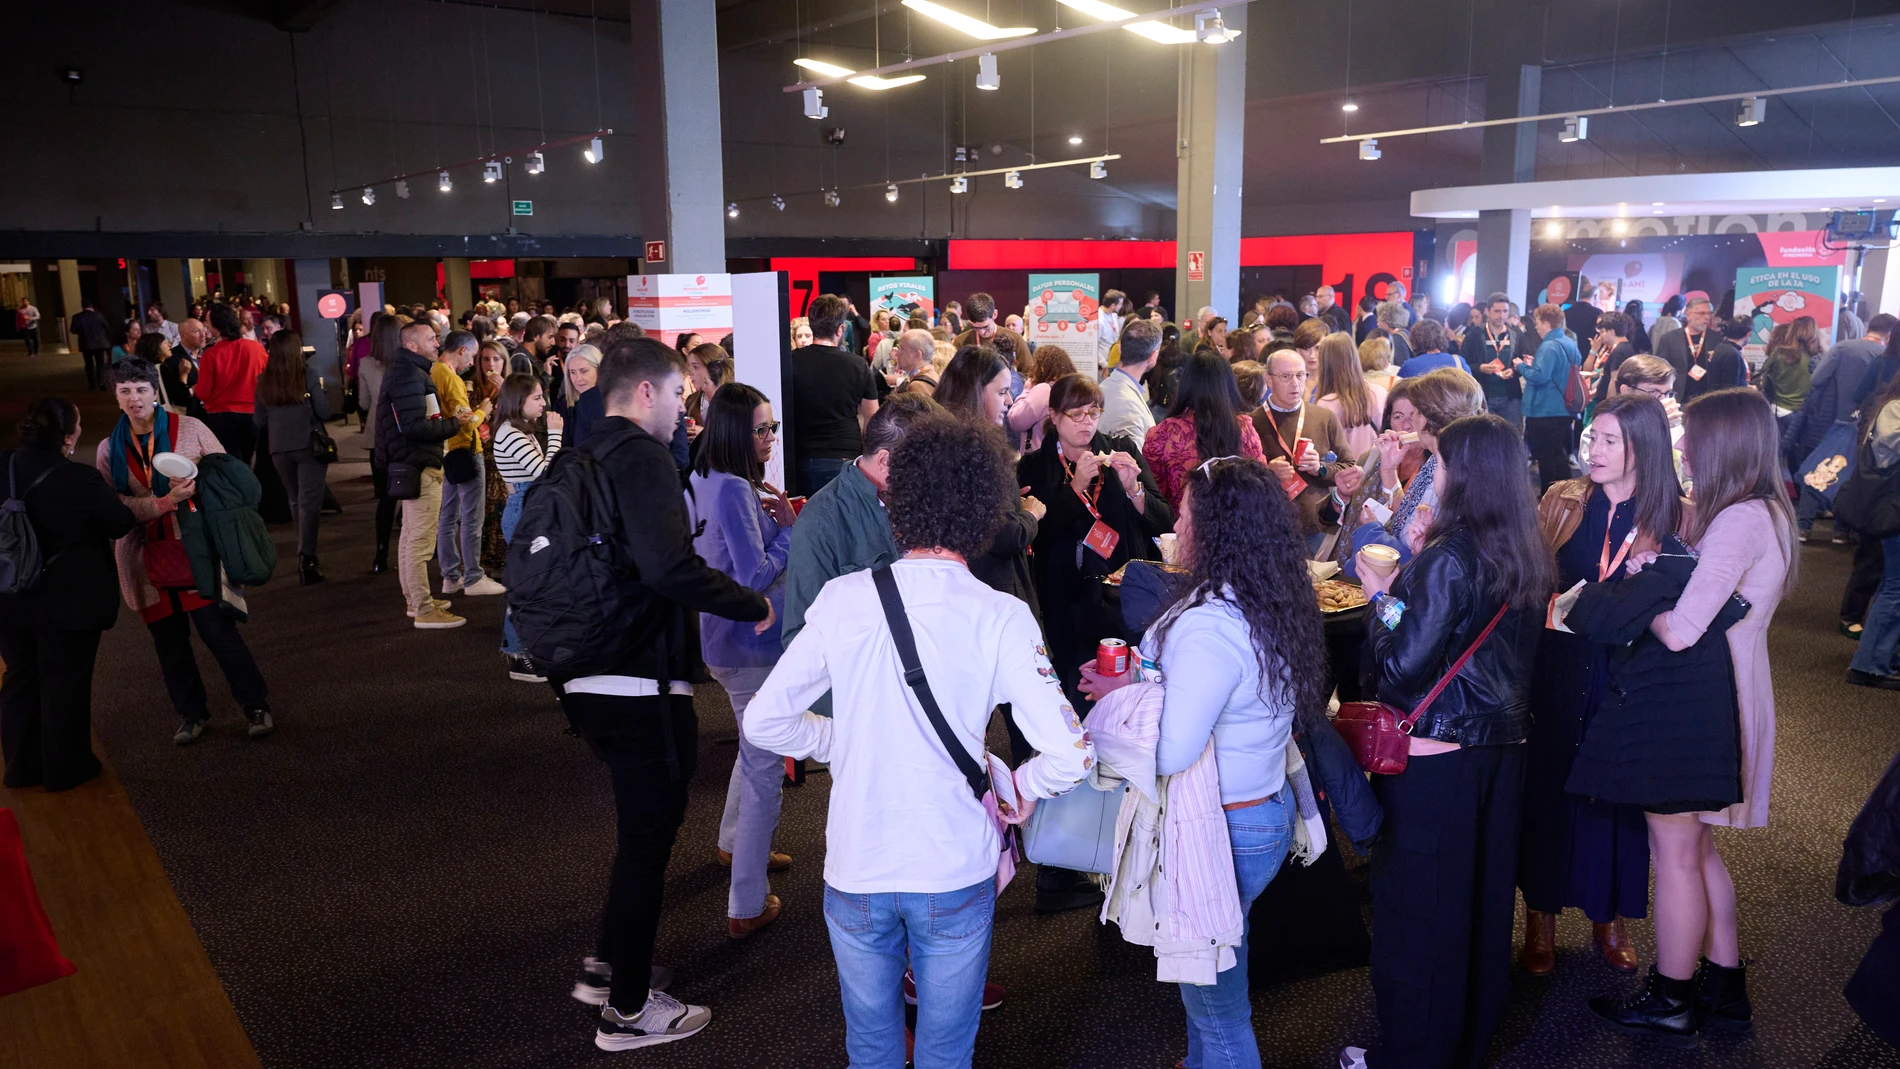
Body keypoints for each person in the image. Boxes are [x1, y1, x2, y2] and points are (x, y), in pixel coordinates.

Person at [744, 414, 1089, 1069]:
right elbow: (1071, 754)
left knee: (870, 1046)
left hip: (855, 864)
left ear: (896, 501)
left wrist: (840, 740)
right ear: (982, 509)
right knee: (945, 1049)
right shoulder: (1001, 616)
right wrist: (1022, 787)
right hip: (953, 867)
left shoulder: (846, 599)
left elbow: (765, 721)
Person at [550, 337, 772, 1052]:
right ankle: (626, 1009)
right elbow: (669, 568)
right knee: (649, 840)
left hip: (584, 670)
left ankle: (611, 970)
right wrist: (750, 606)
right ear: (646, 392)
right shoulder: (643, 457)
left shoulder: (583, 455)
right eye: (679, 395)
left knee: (637, 834)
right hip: (636, 676)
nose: (686, 410)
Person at [1081, 455, 1329, 1069]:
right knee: (1217, 981)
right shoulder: (1271, 596)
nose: (1176, 528)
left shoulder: (1209, 626)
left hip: (1223, 830)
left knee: (1217, 1008)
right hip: (1260, 809)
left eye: (1185, 516)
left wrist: (1123, 701)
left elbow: (1170, 750)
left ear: (1216, 529)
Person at [1341, 413, 1553, 1069]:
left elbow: (1402, 668)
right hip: (1504, 749)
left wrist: (1382, 599)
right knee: (1482, 902)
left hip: (1434, 756)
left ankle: (1413, 1052)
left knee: (1418, 909)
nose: (1437, 475)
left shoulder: (1451, 557)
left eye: (1444, 463)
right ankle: (1467, 1037)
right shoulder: (1529, 548)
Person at [1589, 387, 1794, 1041]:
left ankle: (1671, 995)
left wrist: (1624, 603)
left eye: (1693, 438)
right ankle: (1723, 984)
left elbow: (1681, 629)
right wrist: (1670, 566)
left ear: (1723, 443)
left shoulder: (1737, 519)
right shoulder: (1764, 510)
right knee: (1696, 847)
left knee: (1674, 850)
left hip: (1703, 698)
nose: (1683, 449)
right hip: (1728, 688)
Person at [1519, 393, 1683, 977]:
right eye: (1595, 438)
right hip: (1560, 662)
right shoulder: (1564, 500)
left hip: (1625, 671)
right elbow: (1530, 572)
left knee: (1615, 796)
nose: (1597, 450)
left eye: (1611, 440)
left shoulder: (1670, 515)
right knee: (1550, 787)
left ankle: (1609, 918)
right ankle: (1539, 918)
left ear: (1644, 448)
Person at [97, 359, 275, 744]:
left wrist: (199, 482)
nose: (134, 398)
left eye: (141, 389)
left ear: (154, 392)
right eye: (124, 391)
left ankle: (256, 704)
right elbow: (115, 507)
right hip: (146, 557)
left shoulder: (190, 429)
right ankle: (191, 713)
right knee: (169, 643)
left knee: (218, 633)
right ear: (115, 397)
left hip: (197, 548)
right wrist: (163, 502)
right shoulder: (109, 448)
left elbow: (233, 482)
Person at [690, 381, 799, 938]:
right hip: (749, 641)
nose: (769, 438)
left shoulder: (705, 476)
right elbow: (755, 574)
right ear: (735, 431)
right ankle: (746, 905)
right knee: (763, 768)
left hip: (727, 640)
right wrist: (789, 532)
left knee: (753, 752)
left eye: (772, 427)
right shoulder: (732, 487)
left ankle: (735, 847)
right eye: (761, 428)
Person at [0, 398, 137, 791]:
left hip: (9, 596)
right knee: (65, 681)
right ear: (69, 436)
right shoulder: (78, 479)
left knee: (20, 676)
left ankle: (20, 767)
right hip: (67, 600)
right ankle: (65, 768)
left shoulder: (3, 466)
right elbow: (118, 522)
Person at [780, 393, 940, 721]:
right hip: (874, 716)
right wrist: (864, 717)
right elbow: (800, 641)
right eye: (923, 467)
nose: (932, 478)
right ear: (884, 460)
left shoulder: (921, 500)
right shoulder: (822, 521)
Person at [1020, 374, 1174, 710]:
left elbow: (1164, 520)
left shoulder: (1123, 450)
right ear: (1054, 416)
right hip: (1063, 594)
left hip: (1120, 591)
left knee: (1120, 686)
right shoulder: (1034, 466)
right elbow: (1037, 531)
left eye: (1093, 413)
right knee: (1070, 687)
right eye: (1076, 414)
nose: (1086, 423)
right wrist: (1074, 490)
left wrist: (1134, 490)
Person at [1331, 368, 1487, 574]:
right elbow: (1410, 515)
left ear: (1429, 420)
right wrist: (1389, 470)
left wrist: (1370, 530)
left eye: (1416, 413)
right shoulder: (1440, 460)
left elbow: (1428, 558)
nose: (1410, 422)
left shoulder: (1453, 472)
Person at [377, 319, 469, 629]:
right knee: (418, 542)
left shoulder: (407, 372)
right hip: (419, 463)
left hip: (410, 461)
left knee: (409, 540)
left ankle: (415, 599)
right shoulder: (410, 376)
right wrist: (456, 424)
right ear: (411, 345)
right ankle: (423, 607)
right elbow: (416, 427)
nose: (437, 343)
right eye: (431, 338)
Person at [489, 374, 562, 683]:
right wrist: (557, 435)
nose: (544, 403)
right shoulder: (510, 434)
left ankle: (525, 650)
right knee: (528, 586)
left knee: (535, 585)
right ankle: (518, 654)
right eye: (537, 398)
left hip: (526, 507)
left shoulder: (517, 430)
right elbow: (544, 473)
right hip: (523, 511)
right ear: (519, 401)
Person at [252, 330, 333, 585]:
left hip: (278, 447)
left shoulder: (263, 379)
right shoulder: (306, 375)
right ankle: (307, 558)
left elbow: (259, 419)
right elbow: (324, 410)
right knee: (309, 503)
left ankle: (305, 554)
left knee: (296, 501)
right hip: (308, 444)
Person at [1142, 351, 1264, 511]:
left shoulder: (1163, 433)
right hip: (1234, 527)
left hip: (1178, 529)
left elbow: (1154, 494)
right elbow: (1259, 481)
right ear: (1228, 386)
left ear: (1186, 384)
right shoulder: (1244, 428)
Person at [431, 330, 502, 600]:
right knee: (472, 518)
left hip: (447, 450)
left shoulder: (433, 371)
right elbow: (468, 420)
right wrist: (484, 409)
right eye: (473, 356)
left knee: (448, 516)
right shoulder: (450, 377)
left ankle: (451, 576)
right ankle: (473, 576)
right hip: (467, 450)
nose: (474, 363)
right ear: (462, 351)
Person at [790, 294, 880, 496]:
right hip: (844, 456)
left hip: (800, 457)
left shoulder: (790, 361)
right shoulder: (858, 365)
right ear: (841, 329)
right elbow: (872, 419)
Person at [1253, 350, 1347, 541]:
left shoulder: (1324, 417)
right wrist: (1266, 472)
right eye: (1286, 376)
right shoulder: (1252, 422)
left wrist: (1320, 468)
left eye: (1300, 375)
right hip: (1267, 527)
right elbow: (1237, 480)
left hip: (1316, 525)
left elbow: (1349, 467)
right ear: (1268, 380)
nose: (1295, 383)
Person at [1520, 303, 1584, 493]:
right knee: (1560, 456)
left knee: (1547, 457)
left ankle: (1549, 497)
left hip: (1544, 410)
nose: (1536, 327)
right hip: (1565, 407)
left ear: (1546, 323)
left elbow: (1539, 377)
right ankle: (1564, 496)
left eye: (1538, 322)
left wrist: (1521, 367)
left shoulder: (1548, 346)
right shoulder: (1569, 343)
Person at [195, 303, 271, 464]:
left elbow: (203, 393)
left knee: (231, 464)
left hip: (221, 416)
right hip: (253, 413)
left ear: (216, 327)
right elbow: (268, 379)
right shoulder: (256, 348)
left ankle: (239, 489)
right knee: (247, 460)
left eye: (208, 323)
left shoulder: (211, 354)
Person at [359, 313, 400, 574]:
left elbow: (363, 403)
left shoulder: (365, 364)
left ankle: (381, 553)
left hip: (377, 433)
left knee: (385, 498)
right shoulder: (408, 364)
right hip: (403, 431)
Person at [1315, 330, 1388, 458]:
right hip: (1375, 470)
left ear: (1324, 363)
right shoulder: (1379, 392)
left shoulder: (1326, 404)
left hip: (1342, 474)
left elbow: (1323, 453)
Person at [1462, 292, 1524, 427]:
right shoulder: (1475, 333)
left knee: (1511, 438)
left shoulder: (1516, 334)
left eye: (1505, 311)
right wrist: (1479, 368)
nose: (1501, 315)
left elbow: (1523, 360)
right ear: (1487, 311)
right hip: (1483, 395)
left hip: (1510, 397)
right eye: (1497, 311)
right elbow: (1463, 364)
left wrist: (1514, 371)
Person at [1102, 318, 1162, 450]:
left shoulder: (1104, 388)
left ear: (1120, 348)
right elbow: (1132, 463)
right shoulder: (1128, 407)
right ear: (1153, 356)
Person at [1761, 315, 1823, 419]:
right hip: (1804, 414)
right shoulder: (1820, 358)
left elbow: (1764, 375)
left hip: (1778, 409)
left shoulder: (1779, 353)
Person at [1653, 296, 1719, 391]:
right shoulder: (1669, 339)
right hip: (1679, 394)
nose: (1707, 317)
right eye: (1701, 313)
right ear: (1688, 315)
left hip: (1707, 395)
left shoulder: (1716, 338)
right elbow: (1660, 368)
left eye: (1709, 313)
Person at [951, 292, 1028, 358]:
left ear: (994, 314)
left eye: (986, 327)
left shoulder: (1014, 339)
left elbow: (1028, 372)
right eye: (976, 328)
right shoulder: (960, 342)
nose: (982, 332)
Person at [1587, 311, 1637, 403]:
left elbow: (1614, 380)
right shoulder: (1624, 348)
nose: (1600, 335)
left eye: (1602, 331)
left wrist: (1609, 406)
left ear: (1611, 332)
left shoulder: (1619, 352)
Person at [564, 343, 607, 447]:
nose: (578, 378)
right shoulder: (565, 405)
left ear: (599, 369)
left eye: (584, 371)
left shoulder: (608, 403)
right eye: (573, 372)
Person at [1396, 318, 1468, 378]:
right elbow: (1473, 390)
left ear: (1414, 340)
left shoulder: (1409, 366)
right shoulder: (1458, 361)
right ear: (1442, 337)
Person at [889, 328, 940, 400]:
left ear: (917, 355)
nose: (897, 353)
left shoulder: (917, 386)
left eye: (901, 348)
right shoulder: (931, 375)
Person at [1377, 300, 1413, 367]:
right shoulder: (1406, 333)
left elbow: (1401, 366)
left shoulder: (1397, 339)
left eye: (1379, 321)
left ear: (1385, 322)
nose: (1378, 324)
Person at [1097, 288, 1127, 370]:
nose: (1121, 307)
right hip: (1103, 365)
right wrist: (1104, 364)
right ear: (1113, 305)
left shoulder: (1114, 316)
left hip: (1114, 361)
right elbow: (1094, 346)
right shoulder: (1098, 320)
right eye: (1120, 304)